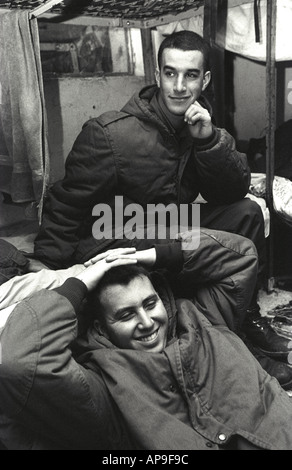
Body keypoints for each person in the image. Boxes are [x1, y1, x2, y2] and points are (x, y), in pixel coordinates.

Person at [31, 30, 291, 379]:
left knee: (245, 213)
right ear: (158, 75)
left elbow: (230, 192)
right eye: (170, 73)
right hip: (119, 234)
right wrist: (48, 272)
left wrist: (209, 142)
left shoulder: (199, 125)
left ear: (205, 79)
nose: (179, 86)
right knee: (192, 245)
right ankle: (222, 341)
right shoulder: (111, 133)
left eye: (191, 75)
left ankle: (237, 318)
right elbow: (66, 204)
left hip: (169, 225)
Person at [1, 229, 292, 451]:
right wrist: (79, 284)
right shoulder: (101, 384)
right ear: (102, 327)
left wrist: (149, 255)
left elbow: (241, 254)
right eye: (126, 315)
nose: (147, 321)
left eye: (150, 303)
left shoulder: (202, 314)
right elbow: (20, 360)